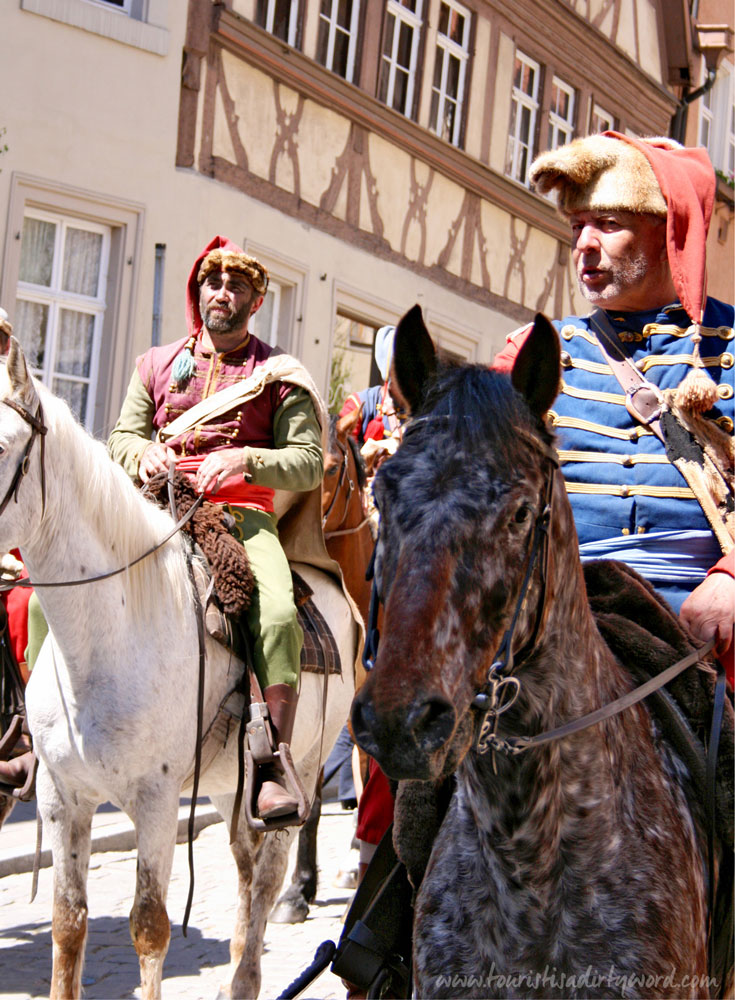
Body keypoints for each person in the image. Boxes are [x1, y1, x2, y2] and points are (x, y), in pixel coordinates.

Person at [494, 133, 733, 677]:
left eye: (607, 225)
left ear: (668, 231)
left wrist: (731, 581)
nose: (583, 245)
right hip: (551, 621)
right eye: (577, 227)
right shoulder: (531, 353)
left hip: (702, 628)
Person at [108, 235, 325, 820]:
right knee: (56, 582)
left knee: (277, 612)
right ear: (198, 290)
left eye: (236, 286)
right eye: (213, 282)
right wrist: (141, 455)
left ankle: (272, 763)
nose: (222, 293)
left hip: (240, 513)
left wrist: (247, 460)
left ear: (256, 301)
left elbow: (308, 461)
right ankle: (31, 724)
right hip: (157, 502)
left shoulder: (278, 374)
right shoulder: (155, 364)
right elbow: (121, 436)